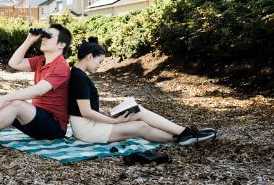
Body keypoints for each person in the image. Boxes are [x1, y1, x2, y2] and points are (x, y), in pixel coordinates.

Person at [69, 37, 216, 145]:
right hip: (88, 131)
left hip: (90, 124)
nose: (99, 66)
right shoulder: (79, 77)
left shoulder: (78, 75)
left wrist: (105, 114)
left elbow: (84, 109)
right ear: (89, 57)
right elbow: (85, 112)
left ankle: (184, 133)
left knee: (137, 111)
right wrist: (113, 120)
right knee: (141, 126)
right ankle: (183, 137)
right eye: (99, 62)